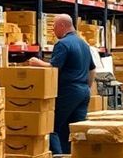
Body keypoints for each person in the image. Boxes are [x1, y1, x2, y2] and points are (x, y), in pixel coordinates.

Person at [27, 14, 95, 154]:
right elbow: (92, 69)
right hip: (83, 92)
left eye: (54, 27)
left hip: (68, 91)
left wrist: (37, 63)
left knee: (51, 126)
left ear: (62, 26)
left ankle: (58, 156)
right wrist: (86, 87)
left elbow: (54, 67)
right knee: (76, 131)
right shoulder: (84, 44)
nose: (53, 31)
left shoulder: (63, 44)